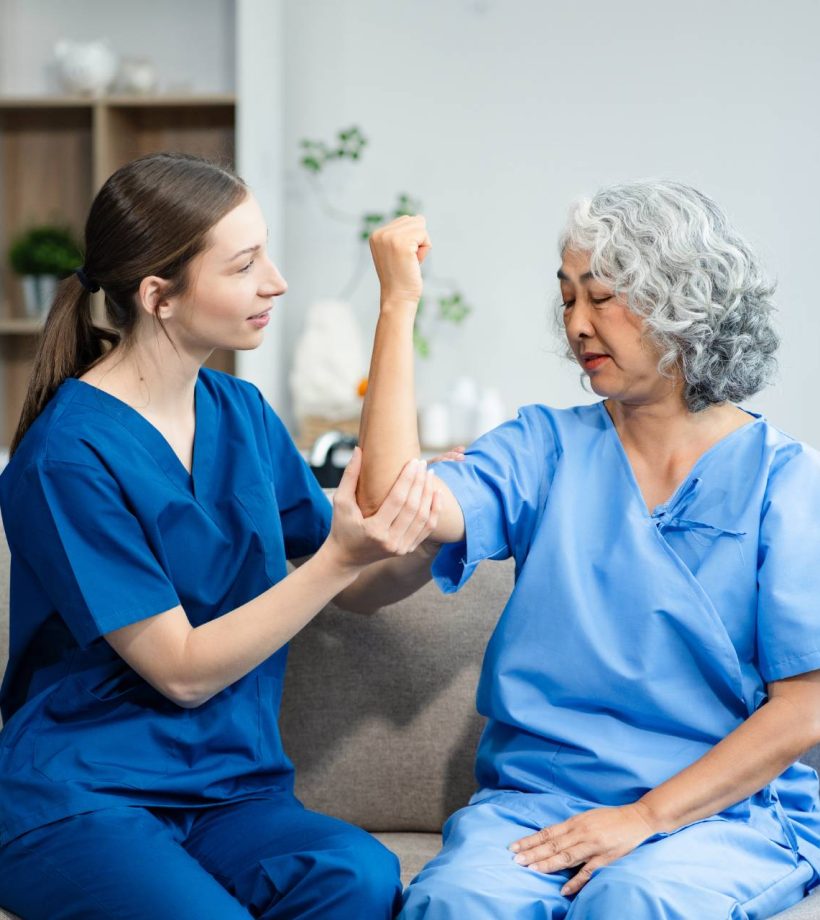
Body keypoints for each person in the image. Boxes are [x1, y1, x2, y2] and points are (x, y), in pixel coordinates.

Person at [357, 180, 820, 919]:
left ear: (683, 305)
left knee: (634, 901)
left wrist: (644, 818)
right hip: (539, 802)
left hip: (720, 811)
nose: (576, 324)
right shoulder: (542, 448)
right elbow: (392, 509)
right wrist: (396, 305)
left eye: (601, 298)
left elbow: (806, 707)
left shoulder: (782, 478)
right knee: (456, 902)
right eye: (567, 297)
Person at [0, 152, 444, 920]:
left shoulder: (241, 413)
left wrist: (420, 530)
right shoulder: (65, 457)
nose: (275, 281)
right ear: (158, 296)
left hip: (227, 791)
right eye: (243, 266)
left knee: (360, 876)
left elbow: (363, 587)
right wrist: (338, 558)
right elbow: (180, 671)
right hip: (83, 794)